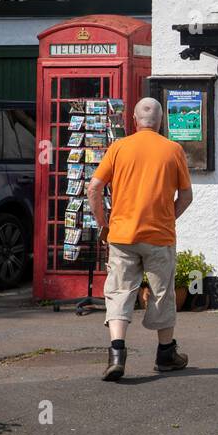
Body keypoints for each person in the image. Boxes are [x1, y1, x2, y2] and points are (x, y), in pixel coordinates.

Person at [87, 97, 194, 381]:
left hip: (122, 235)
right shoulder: (173, 150)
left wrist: (103, 224)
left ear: (135, 120)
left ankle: (117, 353)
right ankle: (165, 353)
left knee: (120, 291)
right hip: (159, 235)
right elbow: (186, 196)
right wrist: (167, 218)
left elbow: (94, 188)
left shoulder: (119, 147)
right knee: (162, 293)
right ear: (161, 122)